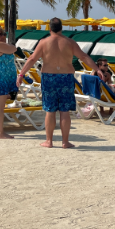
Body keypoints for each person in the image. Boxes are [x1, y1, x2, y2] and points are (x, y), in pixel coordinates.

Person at [18, 17, 104, 149]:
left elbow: (32, 59)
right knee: (64, 110)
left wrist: (21, 74)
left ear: (50, 28)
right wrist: (97, 69)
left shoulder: (43, 42)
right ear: (61, 28)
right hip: (66, 77)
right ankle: (65, 142)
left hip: (49, 77)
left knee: (50, 110)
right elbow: (84, 57)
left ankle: (49, 141)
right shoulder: (70, 42)